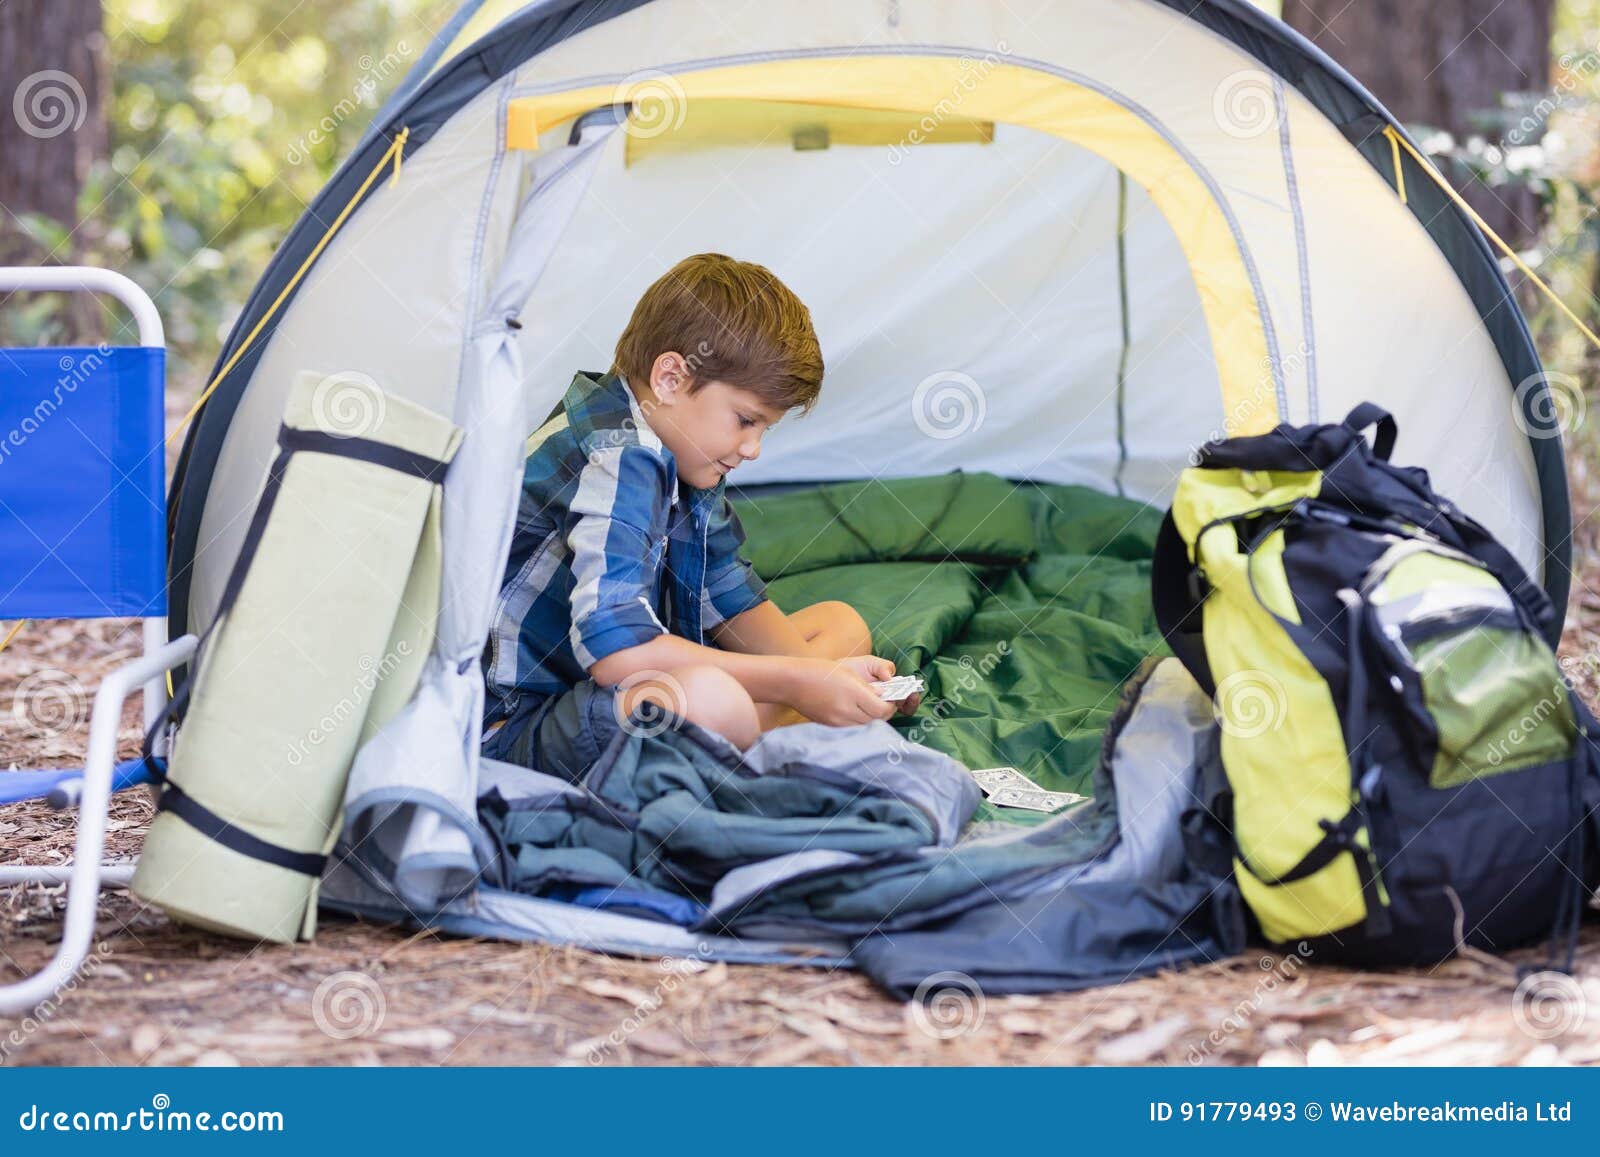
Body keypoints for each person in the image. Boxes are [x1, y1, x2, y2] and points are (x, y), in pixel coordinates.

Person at [481, 252, 920, 776]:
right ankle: (761, 733)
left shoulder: (687, 456)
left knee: (839, 628)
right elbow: (617, 653)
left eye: (764, 430)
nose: (753, 448)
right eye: (745, 420)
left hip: (613, 692)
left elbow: (729, 602)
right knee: (715, 702)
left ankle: (755, 735)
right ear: (669, 378)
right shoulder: (619, 454)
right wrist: (798, 685)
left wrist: (831, 680)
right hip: (515, 726)